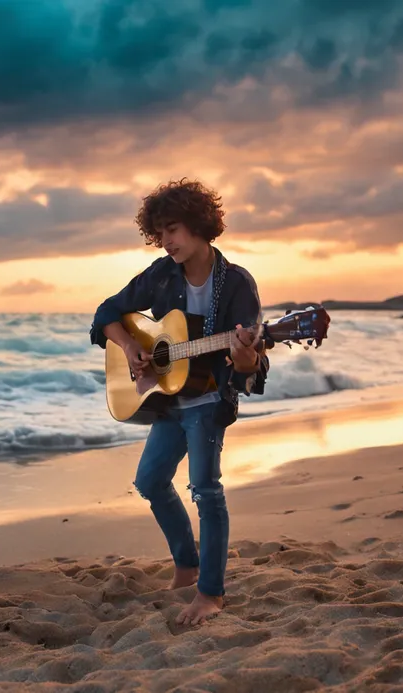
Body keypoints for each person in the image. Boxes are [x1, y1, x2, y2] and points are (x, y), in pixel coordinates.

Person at [90, 178, 270, 626]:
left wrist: (246, 357)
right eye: (161, 232)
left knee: (206, 491)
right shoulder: (161, 275)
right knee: (150, 481)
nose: (167, 240)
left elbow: (250, 368)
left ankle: (210, 593)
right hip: (172, 401)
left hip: (210, 400)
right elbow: (106, 314)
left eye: (174, 229)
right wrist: (132, 350)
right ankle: (187, 564)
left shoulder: (235, 284)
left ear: (199, 225)